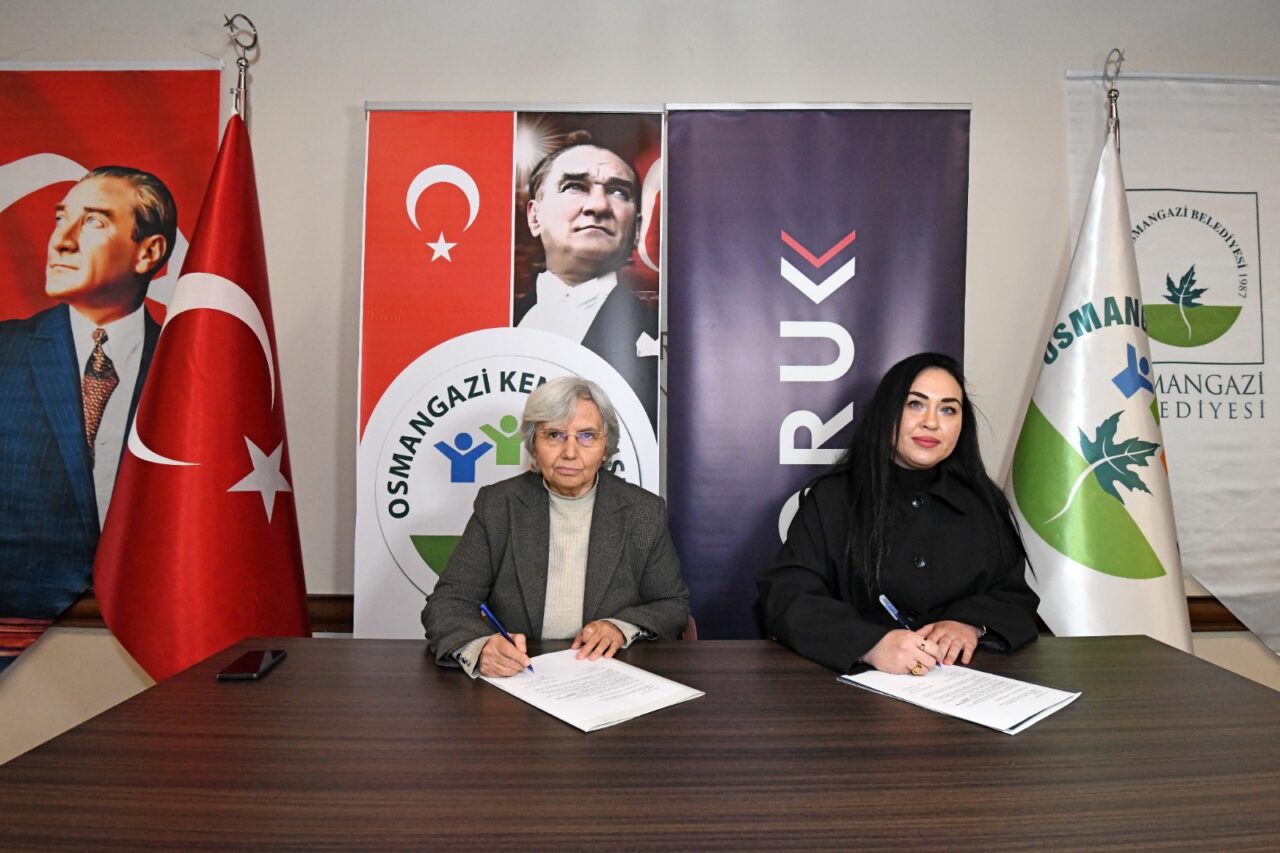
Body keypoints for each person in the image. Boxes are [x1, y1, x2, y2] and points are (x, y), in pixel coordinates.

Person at [757, 352, 1039, 675]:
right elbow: (786, 595)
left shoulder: (984, 503)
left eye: (948, 409)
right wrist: (870, 644)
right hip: (850, 690)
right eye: (915, 404)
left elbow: (1015, 596)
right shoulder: (832, 499)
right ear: (886, 412)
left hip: (960, 686)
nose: (931, 422)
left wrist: (971, 623)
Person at [0, 166, 174, 640]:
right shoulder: (5, 354)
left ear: (149, 252)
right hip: (16, 636)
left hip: (146, 636)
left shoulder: (188, 369)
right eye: (61, 219)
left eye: (94, 221)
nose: (61, 241)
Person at [423, 375, 689, 677]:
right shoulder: (498, 506)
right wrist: (481, 648)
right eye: (554, 435)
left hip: (609, 675)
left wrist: (620, 627)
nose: (570, 452)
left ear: (605, 447)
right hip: (522, 675)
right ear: (534, 445)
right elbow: (448, 602)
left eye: (587, 436)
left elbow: (673, 605)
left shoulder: (643, 512)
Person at [515, 135, 659, 428]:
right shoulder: (495, 326)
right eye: (574, 186)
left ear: (636, 229)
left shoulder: (663, 335)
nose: (598, 205)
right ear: (534, 217)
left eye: (618, 192)